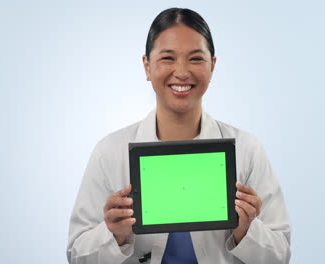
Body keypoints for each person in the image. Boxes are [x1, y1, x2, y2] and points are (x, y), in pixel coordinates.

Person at [67, 7, 291, 264]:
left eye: (195, 58)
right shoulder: (109, 152)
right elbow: (77, 255)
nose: (182, 72)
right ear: (147, 66)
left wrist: (246, 230)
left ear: (212, 66)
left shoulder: (248, 150)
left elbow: (280, 256)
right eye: (168, 58)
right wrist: (113, 235)